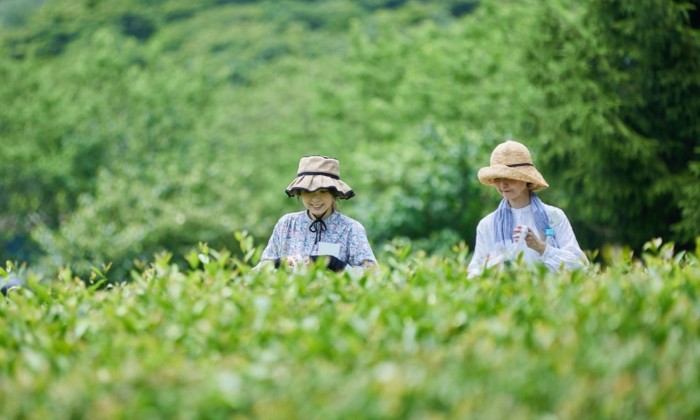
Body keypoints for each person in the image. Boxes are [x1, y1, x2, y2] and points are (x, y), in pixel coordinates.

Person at [467, 140, 588, 278]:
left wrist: (541, 248)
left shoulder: (553, 216)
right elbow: (473, 276)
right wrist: (497, 263)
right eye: (497, 178)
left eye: (509, 177)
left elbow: (581, 268)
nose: (502, 184)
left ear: (526, 179)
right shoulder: (487, 225)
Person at [255, 155, 377, 272]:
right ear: (300, 193)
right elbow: (258, 272)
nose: (316, 199)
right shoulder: (287, 224)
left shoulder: (351, 228)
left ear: (334, 193)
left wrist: (332, 263)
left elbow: (372, 276)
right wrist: (278, 264)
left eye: (323, 191)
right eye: (308, 192)